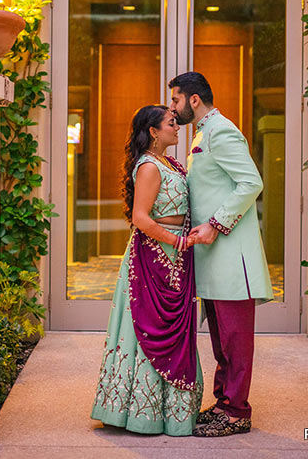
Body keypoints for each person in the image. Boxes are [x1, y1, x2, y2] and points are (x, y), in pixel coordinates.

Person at [168, 72, 273, 437]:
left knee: (235, 338)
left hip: (232, 256)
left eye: (176, 100)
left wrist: (215, 224)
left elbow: (251, 182)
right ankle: (224, 402)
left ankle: (237, 412)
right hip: (213, 256)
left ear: (194, 99)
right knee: (220, 338)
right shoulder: (202, 133)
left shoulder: (222, 130)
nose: (173, 108)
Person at [91, 104, 203, 436]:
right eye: (171, 124)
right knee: (147, 326)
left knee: (176, 329)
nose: (177, 127)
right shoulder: (150, 168)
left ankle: (172, 413)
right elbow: (140, 217)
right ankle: (141, 412)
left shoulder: (173, 164)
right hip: (153, 255)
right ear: (154, 132)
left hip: (177, 254)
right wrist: (175, 240)